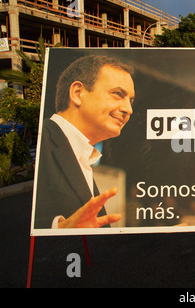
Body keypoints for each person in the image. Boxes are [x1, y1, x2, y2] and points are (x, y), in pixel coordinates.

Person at [33, 55, 135, 229]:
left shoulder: (82, 155)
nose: (129, 109)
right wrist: (59, 228)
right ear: (77, 93)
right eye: (118, 94)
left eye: (130, 101)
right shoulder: (40, 145)